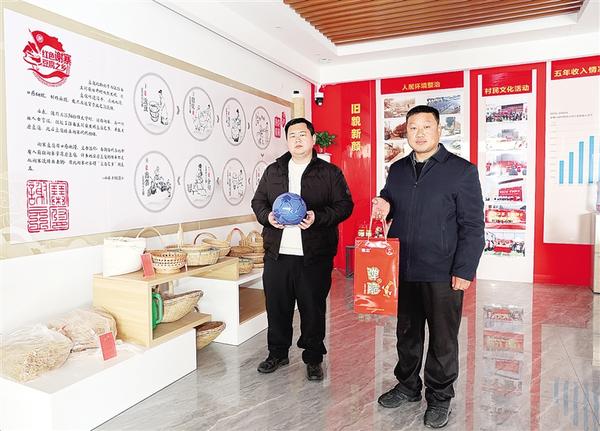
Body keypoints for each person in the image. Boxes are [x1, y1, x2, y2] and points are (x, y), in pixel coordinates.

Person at [372, 105, 484, 428]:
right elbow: (391, 201)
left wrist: (464, 269)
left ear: (439, 130)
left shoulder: (462, 171)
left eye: (426, 127)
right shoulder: (398, 170)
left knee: (442, 339)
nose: (419, 133)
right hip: (404, 267)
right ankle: (407, 386)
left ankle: (440, 396)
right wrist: (384, 203)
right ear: (405, 132)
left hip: (442, 272)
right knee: (406, 334)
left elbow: (473, 225)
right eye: (412, 128)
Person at [251, 117, 353, 381]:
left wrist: (318, 217)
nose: (297, 139)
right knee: (277, 307)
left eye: (302, 134)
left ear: (313, 139)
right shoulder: (273, 171)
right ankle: (277, 353)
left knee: (312, 309)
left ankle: (313, 358)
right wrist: (267, 217)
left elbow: (345, 206)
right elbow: (258, 201)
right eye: (292, 135)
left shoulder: (330, 172)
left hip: (314, 255)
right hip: (277, 253)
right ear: (287, 141)